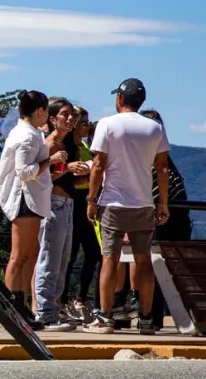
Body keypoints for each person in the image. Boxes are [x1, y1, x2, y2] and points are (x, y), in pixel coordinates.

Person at [83, 78, 170, 335]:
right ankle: (146, 318)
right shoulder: (154, 128)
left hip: (112, 202)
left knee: (110, 258)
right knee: (144, 261)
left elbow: (98, 165)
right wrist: (162, 202)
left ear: (120, 99)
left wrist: (91, 199)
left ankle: (105, 316)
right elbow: (162, 167)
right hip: (143, 202)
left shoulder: (108, 124)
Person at [0, 91, 65, 330]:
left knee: (30, 252)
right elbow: (24, 171)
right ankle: (11, 305)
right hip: (24, 199)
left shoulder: (29, 133)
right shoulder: (26, 136)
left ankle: (19, 303)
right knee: (19, 255)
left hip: (31, 199)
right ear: (40, 111)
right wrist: (50, 162)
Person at [140, 109, 192, 330]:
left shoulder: (163, 161)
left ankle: (157, 316)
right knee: (156, 269)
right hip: (163, 220)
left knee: (164, 270)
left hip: (173, 221)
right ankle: (152, 315)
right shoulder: (155, 160)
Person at [34, 97, 82, 330]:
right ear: (53, 119)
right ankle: (44, 312)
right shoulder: (49, 144)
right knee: (49, 260)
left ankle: (54, 307)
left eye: (72, 114)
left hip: (67, 204)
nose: (71, 118)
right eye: (65, 114)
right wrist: (66, 170)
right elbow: (40, 178)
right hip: (53, 203)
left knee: (62, 261)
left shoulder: (68, 145)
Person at [60, 107, 101, 322]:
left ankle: (81, 297)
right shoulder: (69, 146)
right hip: (74, 201)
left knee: (93, 252)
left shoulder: (86, 146)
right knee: (70, 254)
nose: (87, 126)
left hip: (86, 202)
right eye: (83, 122)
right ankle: (64, 300)